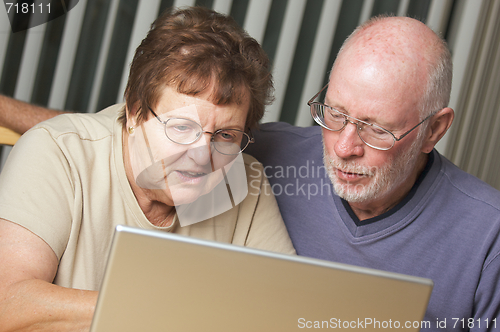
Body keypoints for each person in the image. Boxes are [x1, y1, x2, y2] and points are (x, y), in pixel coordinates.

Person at [0, 7, 294, 332]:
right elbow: (8, 305)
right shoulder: (57, 151)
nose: (201, 156)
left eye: (225, 135)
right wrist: (165, 310)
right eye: (182, 127)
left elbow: (285, 315)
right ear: (136, 112)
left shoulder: (246, 183)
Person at [246, 16, 500, 330]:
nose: (343, 147)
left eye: (377, 129)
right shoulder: (254, 156)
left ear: (434, 130)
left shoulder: (490, 236)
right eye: (335, 114)